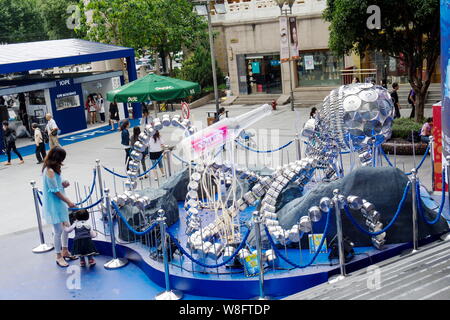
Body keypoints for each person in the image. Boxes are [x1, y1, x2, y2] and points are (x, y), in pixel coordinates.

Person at [41, 146, 77, 268]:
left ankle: (65, 250)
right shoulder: (49, 170)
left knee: (66, 226)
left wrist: (63, 184)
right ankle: (58, 256)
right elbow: (54, 191)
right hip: (54, 204)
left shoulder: (53, 169)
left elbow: (56, 185)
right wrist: (68, 202)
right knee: (58, 231)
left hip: (60, 203)